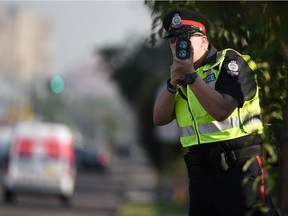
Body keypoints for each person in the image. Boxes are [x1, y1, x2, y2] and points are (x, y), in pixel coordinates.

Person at [153, 8, 279, 216]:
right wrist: (172, 84)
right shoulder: (180, 76)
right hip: (200, 176)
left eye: (185, 38)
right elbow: (159, 118)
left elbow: (221, 110)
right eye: (173, 39)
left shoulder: (231, 63)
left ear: (203, 40)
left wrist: (191, 77)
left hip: (239, 171)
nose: (179, 44)